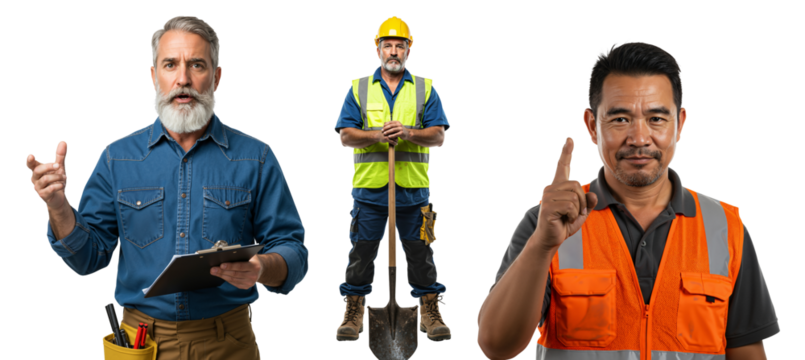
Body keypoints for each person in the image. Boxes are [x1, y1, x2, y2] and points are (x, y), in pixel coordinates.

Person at [25, 15, 310, 360]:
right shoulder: (117, 158)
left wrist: (261, 267)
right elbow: (87, 259)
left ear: (217, 78)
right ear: (153, 76)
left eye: (197, 65)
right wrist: (58, 208)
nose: (183, 79)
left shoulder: (257, 157)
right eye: (170, 64)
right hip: (138, 344)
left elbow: (294, 251)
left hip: (228, 343)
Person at [476, 41, 780, 360]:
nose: (639, 139)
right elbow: (497, 347)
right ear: (592, 126)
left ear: (680, 124)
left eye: (656, 118)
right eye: (620, 119)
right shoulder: (545, 224)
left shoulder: (726, 228)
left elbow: (747, 351)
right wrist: (542, 246)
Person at [332, 15, 453, 342]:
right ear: (378, 50)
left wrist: (409, 133)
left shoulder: (426, 88)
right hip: (369, 190)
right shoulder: (358, 89)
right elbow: (345, 135)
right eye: (388, 45)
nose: (394, 51)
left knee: (421, 254)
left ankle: (430, 310)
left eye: (400, 45)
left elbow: (439, 136)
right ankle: (353, 310)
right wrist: (376, 135)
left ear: (409, 51)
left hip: (413, 191)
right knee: (361, 254)